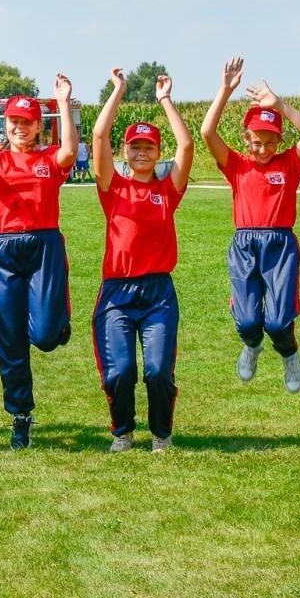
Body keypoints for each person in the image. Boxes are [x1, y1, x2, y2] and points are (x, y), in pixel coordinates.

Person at [0, 77, 79, 449]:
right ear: (6, 123)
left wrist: (63, 102)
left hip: (44, 247)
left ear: (38, 126)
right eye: (14, 121)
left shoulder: (48, 160)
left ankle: (56, 323)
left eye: (27, 122)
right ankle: (21, 415)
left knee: (44, 336)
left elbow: (69, 151)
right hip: (5, 251)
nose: (19, 127)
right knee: (9, 339)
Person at [200, 56, 300, 392]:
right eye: (256, 141)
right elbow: (207, 132)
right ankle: (252, 346)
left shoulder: (290, 163)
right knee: (248, 321)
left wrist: (279, 105)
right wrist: (225, 90)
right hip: (244, 246)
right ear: (246, 138)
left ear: (279, 141)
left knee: (279, 322)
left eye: (270, 141)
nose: (263, 148)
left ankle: (290, 354)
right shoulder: (237, 165)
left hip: (280, 247)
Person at [91, 70, 193, 452]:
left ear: (157, 152)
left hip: (158, 294)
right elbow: (98, 135)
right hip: (117, 294)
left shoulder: (168, 190)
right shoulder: (112, 186)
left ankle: (161, 434)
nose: (142, 153)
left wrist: (165, 99)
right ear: (125, 151)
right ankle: (123, 432)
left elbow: (186, 145)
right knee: (120, 371)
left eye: (149, 147)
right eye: (135, 147)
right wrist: (118, 90)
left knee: (157, 371)